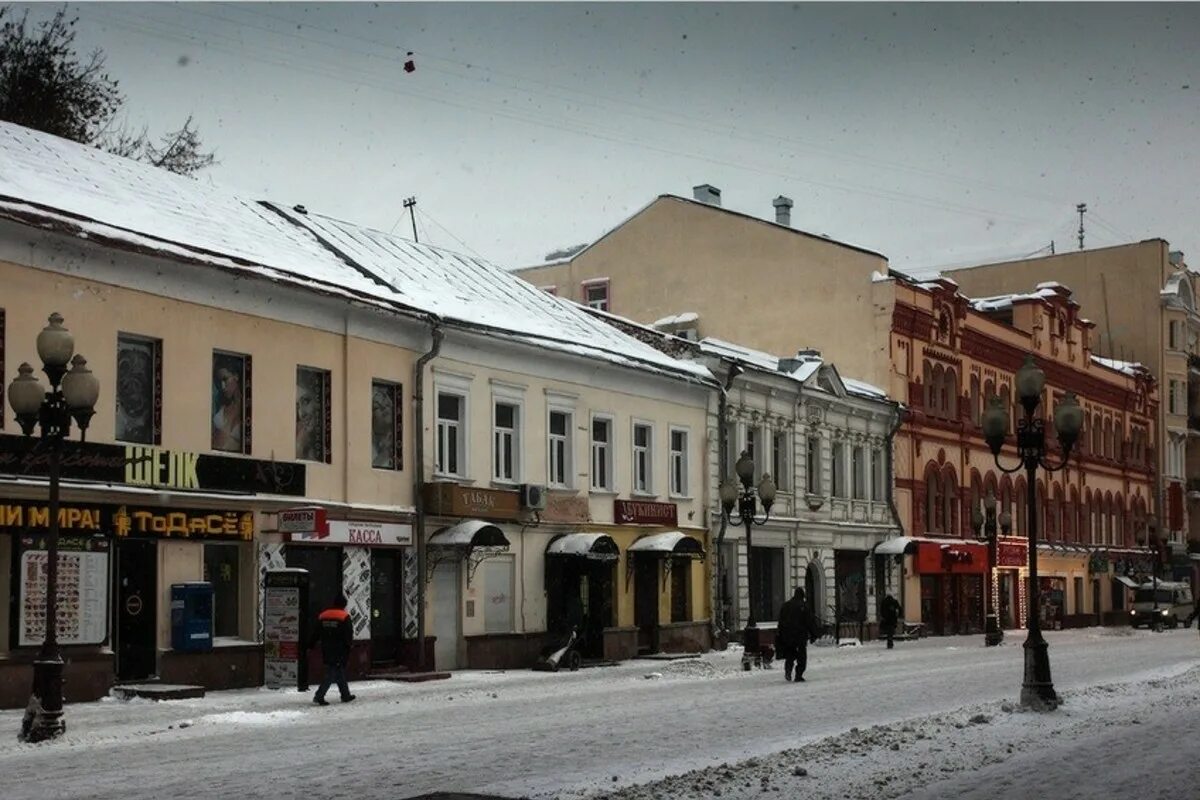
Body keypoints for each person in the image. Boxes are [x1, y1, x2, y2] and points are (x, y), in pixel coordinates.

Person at [310, 594, 356, 706]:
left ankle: (345, 695)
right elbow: (348, 635)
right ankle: (319, 695)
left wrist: (311, 644)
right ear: (344, 605)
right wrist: (349, 646)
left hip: (326, 647)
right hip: (339, 649)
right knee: (332, 672)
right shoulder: (344, 616)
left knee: (338, 671)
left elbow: (316, 633)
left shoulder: (323, 615)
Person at [777, 587, 817, 683]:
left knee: (790, 654)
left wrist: (781, 634)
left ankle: (788, 670)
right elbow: (809, 622)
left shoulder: (785, 606)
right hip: (800, 636)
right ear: (802, 596)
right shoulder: (803, 606)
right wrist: (813, 634)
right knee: (801, 656)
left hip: (788, 636)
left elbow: (781, 621)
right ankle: (798, 675)